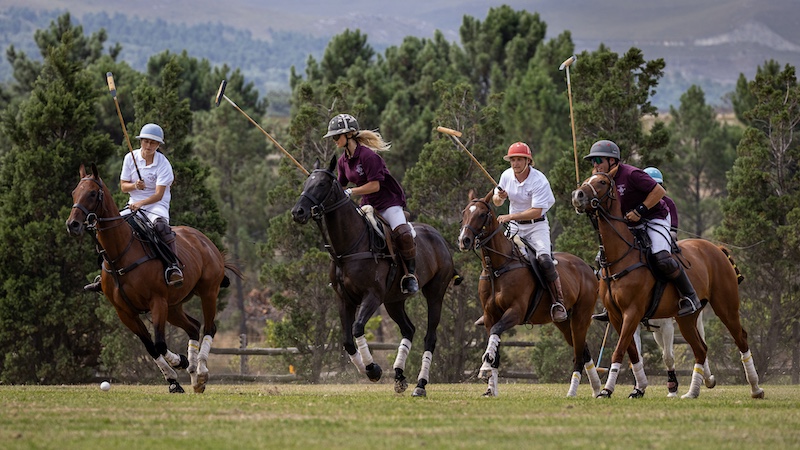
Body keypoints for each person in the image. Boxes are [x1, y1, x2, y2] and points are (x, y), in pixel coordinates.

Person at [585, 140, 701, 318]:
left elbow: (659, 191)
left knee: (661, 257)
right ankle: (610, 304)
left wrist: (640, 210)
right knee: (601, 259)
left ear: (613, 161)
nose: (595, 165)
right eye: (593, 161)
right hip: (630, 224)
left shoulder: (631, 174)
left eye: (599, 160)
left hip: (655, 218)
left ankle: (690, 296)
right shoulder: (602, 181)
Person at [324, 113, 419, 294]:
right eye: (333, 137)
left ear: (349, 134)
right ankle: (344, 274)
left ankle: (410, 276)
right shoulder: (343, 161)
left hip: (388, 202)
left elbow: (375, 186)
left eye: (337, 136)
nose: (334, 140)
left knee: (403, 233)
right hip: (368, 204)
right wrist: (322, 182)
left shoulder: (368, 156)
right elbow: (341, 185)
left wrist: (352, 191)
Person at [84, 123, 184, 291]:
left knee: (161, 228)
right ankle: (103, 273)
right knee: (109, 229)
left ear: (158, 145)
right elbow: (123, 186)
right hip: (133, 204)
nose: (149, 146)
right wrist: (135, 186)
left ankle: (172, 267)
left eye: (153, 143)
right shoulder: (130, 158)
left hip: (156, 205)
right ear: (140, 142)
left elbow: (159, 195)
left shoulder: (163, 164)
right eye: (146, 142)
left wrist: (140, 204)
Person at [491, 142, 567, 323]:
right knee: (496, 256)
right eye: (513, 160)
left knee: (545, 260)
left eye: (519, 159)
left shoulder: (539, 180)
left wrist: (510, 216)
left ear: (528, 161)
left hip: (536, 226)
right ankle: (491, 303)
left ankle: (558, 301)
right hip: (516, 226)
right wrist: (499, 197)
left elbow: (537, 211)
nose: (515, 163)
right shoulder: (506, 176)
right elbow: (496, 201)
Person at [643, 167, 678, 242]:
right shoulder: (637, 200)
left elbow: (674, 225)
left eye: (657, 185)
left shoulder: (668, 202)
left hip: (664, 232)